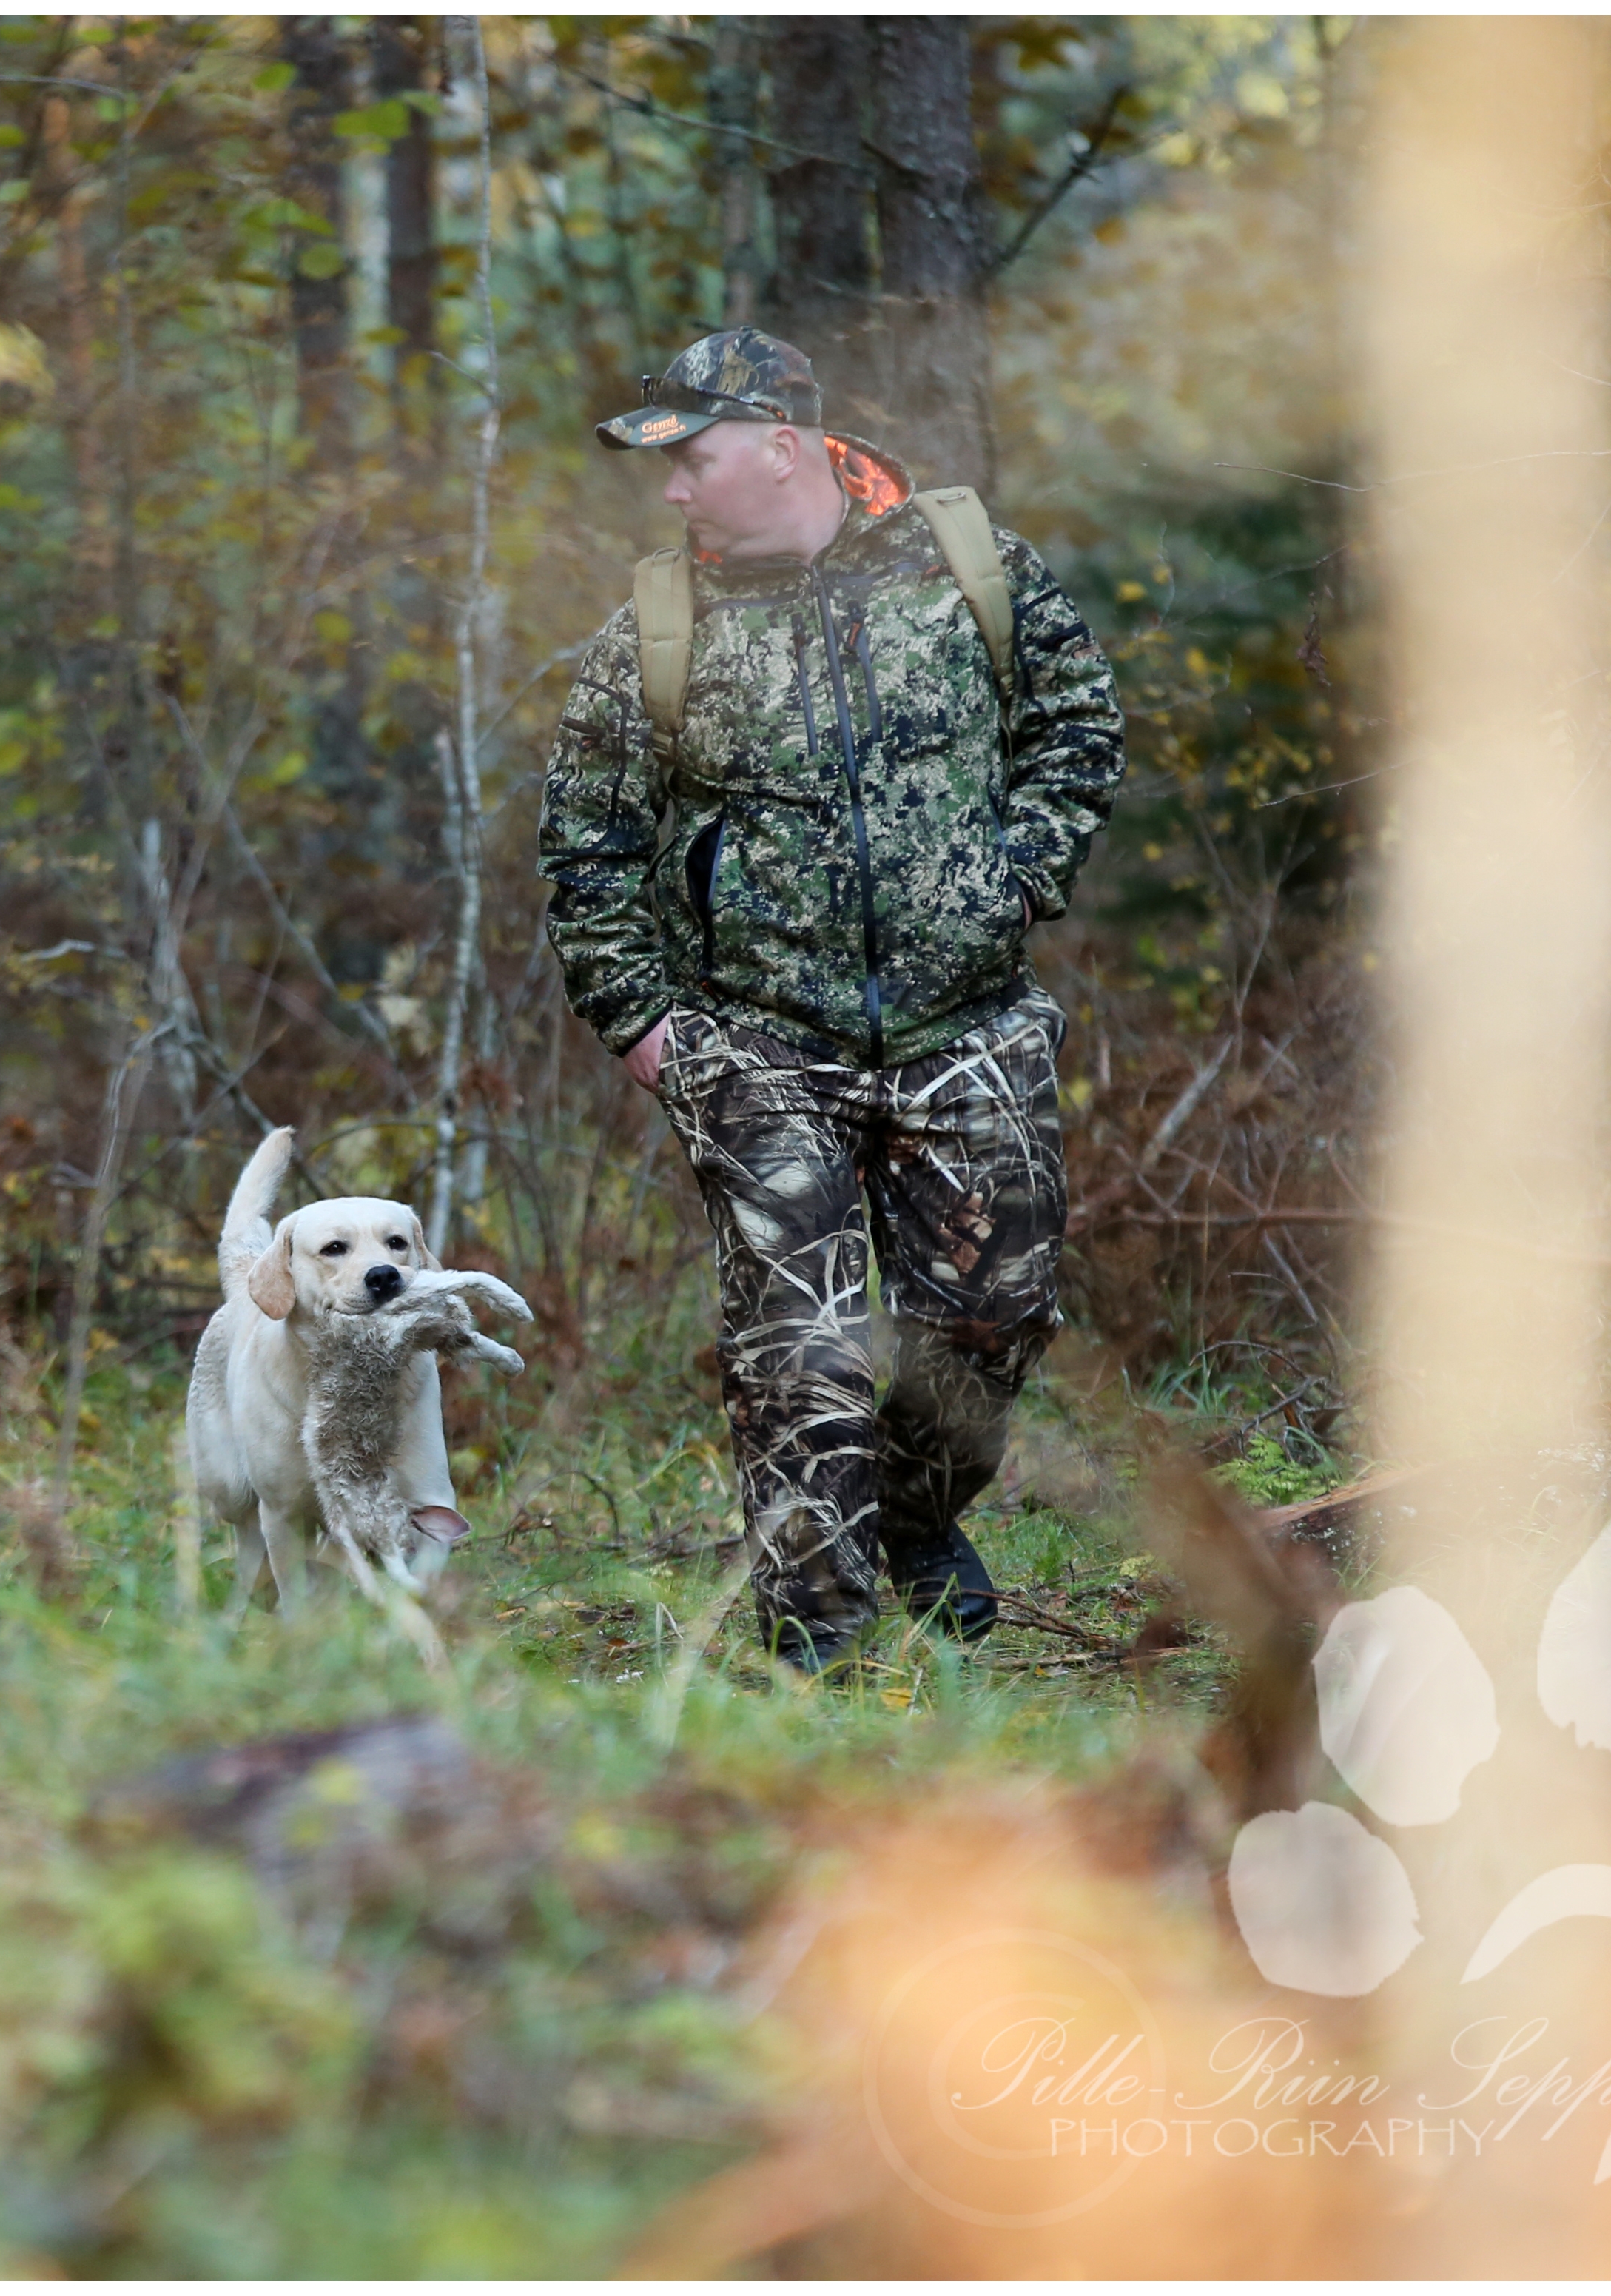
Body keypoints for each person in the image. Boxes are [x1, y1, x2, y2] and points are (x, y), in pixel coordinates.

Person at [537, 330, 1125, 1676]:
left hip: (967, 1023)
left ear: (780, 446)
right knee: (796, 1347)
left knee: (993, 1317)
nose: (673, 490)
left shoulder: (966, 564)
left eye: (692, 460)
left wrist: (1015, 878)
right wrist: (642, 1019)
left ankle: (912, 1522)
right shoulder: (659, 630)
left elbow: (1077, 721)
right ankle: (819, 1652)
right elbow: (586, 845)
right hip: (755, 1037)